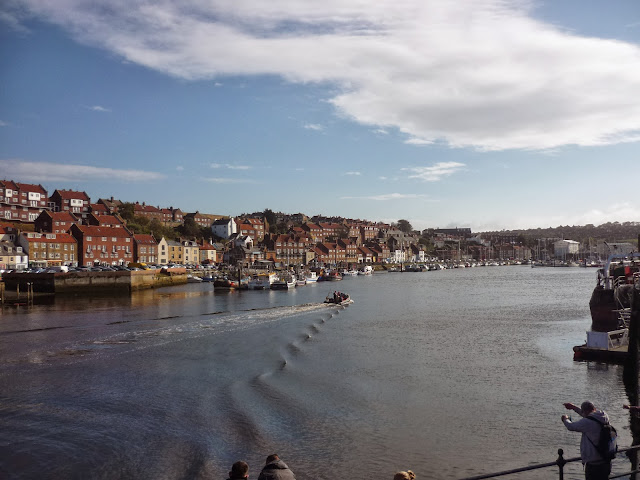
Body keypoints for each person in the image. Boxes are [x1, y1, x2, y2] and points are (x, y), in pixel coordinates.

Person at [561, 401, 611, 479]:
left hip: (594, 464)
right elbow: (588, 415)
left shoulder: (587, 422)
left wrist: (565, 419)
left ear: (585, 411)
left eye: (583, 411)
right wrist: (573, 407)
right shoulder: (603, 416)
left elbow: (571, 426)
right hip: (606, 461)